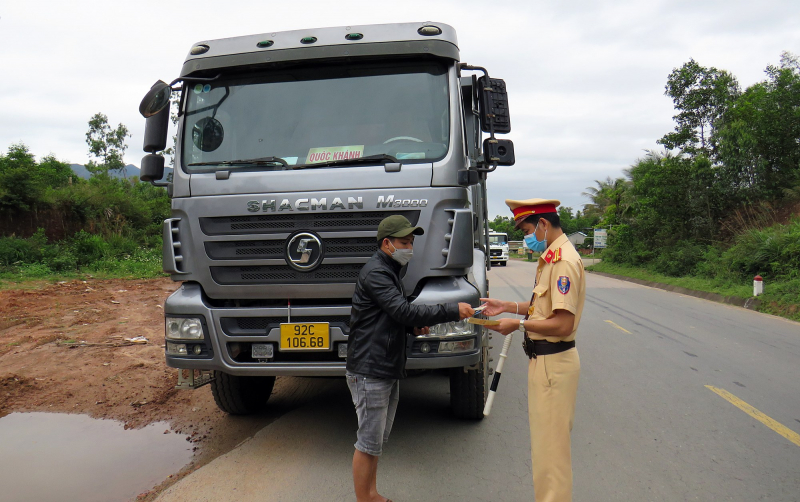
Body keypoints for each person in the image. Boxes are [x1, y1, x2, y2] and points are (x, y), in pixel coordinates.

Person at [346, 214, 475, 502]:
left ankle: (372, 494)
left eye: (412, 242)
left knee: (376, 441)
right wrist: (452, 310)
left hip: (384, 365)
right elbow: (402, 310)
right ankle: (364, 498)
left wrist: (412, 326)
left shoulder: (389, 271)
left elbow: (390, 315)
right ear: (387, 244)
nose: (410, 247)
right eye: (405, 242)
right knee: (367, 442)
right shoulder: (376, 272)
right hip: (371, 368)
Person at [480, 198, 585, 502]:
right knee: (544, 450)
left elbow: (563, 324)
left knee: (551, 455)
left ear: (542, 224)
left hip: (554, 363)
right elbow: (543, 307)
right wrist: (508, 307)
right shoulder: (552, 258)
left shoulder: (564, 261)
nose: (526, 237)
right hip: (544, 363)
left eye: (526, 229)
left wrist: (519, 325)